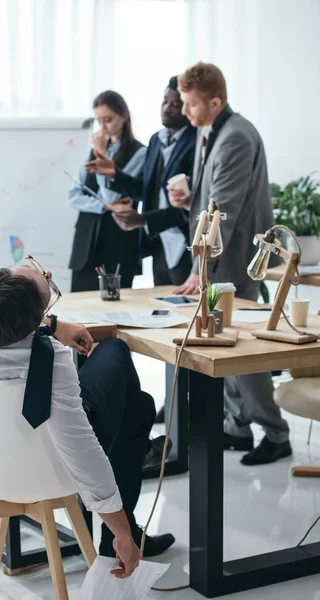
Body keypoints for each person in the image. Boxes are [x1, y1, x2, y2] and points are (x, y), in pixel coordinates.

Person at [0, 256, 175, 569]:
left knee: (138, 407)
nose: (47, 271)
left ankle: (134, 439)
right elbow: (82, 453)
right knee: (117, 356)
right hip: (48, 466)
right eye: (45, 281)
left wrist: (53, 325)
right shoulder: (47, 357)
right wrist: (122, 533)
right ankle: (129, 516)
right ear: (32, 326)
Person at [168, 62, 291, 466]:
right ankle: (238, 424)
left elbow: (224, 211)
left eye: (190, 104)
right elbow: (212, 198)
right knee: (227, 344)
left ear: (215, 101)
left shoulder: (236, 136)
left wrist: (199, 269)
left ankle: (275, 433)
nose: (184, 111)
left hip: (233, 260)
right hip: (223, 259)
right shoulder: (214, 130)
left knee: (240, 348)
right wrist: (191, 202)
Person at [85, 76, 196, 287]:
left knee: (186, 308)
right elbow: (144, 190)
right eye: (165, 101)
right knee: (163, 308)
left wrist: (143, 219)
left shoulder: (195, 141)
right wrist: (114, 174)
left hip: (184, 243)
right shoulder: (157, 139)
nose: (167, 109)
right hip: (158, 243)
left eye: (176, 104)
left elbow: (191, 205)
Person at [68, 91, 146, 292]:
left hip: (117, 244)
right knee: (80, 306)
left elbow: (112, 194)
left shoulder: (139, 152)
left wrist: (101, 155)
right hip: (86, 244)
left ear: (124, 115)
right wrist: (104, 206)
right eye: (99, 121)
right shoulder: (91, 151)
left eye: (108, 120)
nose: (103, 127)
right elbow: (73, 196)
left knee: (114, 309)